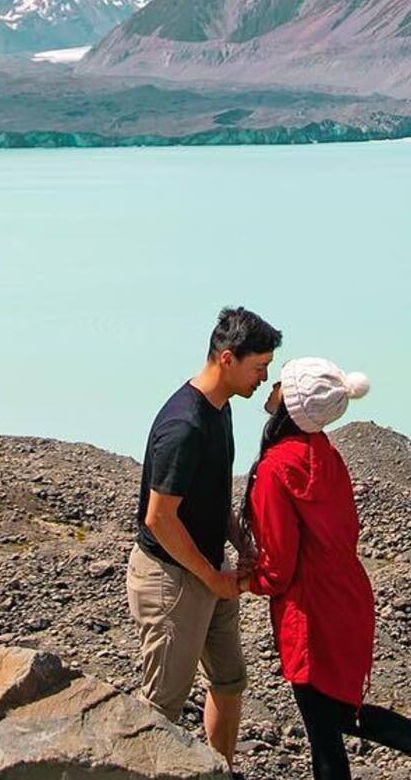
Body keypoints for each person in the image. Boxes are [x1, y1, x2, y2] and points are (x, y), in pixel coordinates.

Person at [240, 357, 411, 780]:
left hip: (308, 611)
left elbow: (280, 567)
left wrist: (238, 582)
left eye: (280, 383)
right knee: (341, 712)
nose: (270, 386)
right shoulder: (328, 457)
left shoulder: (274, 471)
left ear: (292, 401)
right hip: (347, 597)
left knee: (324, 732)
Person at [127, 306, 280, 769]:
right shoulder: (185, 425)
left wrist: (241, 542)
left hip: (208, 571)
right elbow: (159, 519)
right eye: (259, 368)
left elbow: (212, 496)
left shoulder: (220, 409)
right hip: (172, 579)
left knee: (230, 681)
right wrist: (212, 578)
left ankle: (220, 769)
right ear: (228, 359)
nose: (263, 379)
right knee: (162, 707)